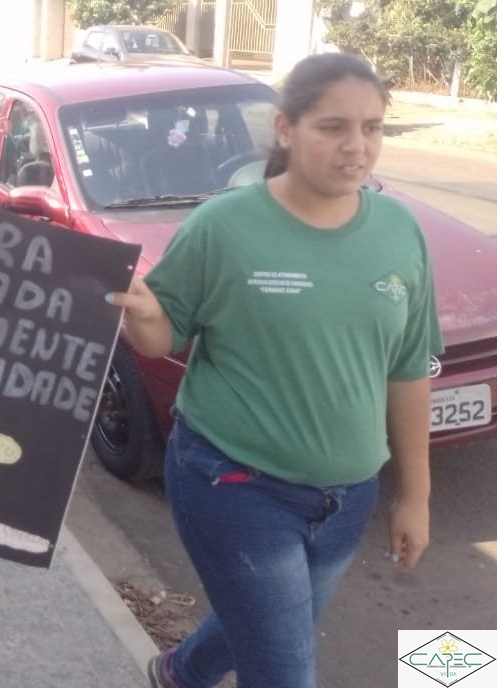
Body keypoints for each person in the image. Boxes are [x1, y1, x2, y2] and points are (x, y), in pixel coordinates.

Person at [107, 53, 440, 688]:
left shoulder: (399, 229)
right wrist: (142, 314)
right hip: (234, 486)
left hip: (348, 497)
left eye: (372, 127)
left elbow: (407, 367)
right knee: (284, 666)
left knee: (268, 624)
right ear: (286, 129)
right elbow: (162, 336)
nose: (357, 146)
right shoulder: (224, 225)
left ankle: (178, 674)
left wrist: (415, 497)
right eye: (333, 127)